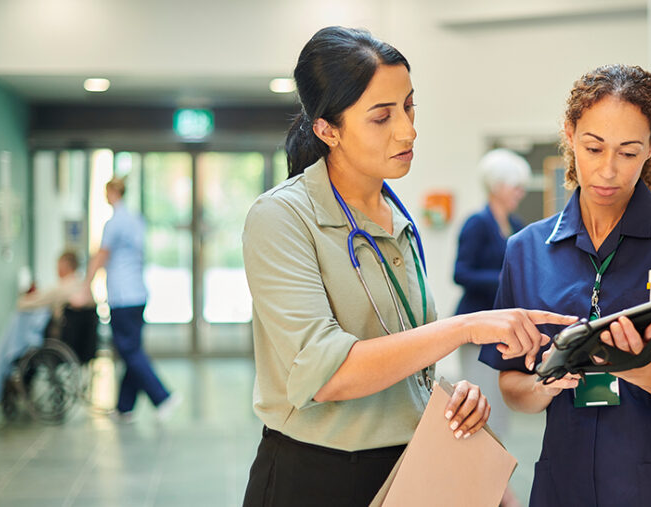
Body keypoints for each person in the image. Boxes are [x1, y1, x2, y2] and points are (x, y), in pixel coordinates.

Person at [241, 26, 575, 507]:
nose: (408, 130)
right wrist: (466, 327)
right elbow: (327, 373)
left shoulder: (396, 218)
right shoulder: (281, 218)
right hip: (315, 475)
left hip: (408, 467)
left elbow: (404, 356)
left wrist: (448, 395)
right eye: (382, 117)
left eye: (410, 106)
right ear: (326, 129)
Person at [479, 64, 651, 507]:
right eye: (593, 147)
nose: (607, 170)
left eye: (628, 152)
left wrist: (639, 368)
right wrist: (544, 385)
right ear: (569, 135)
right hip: (562, 484)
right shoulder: (526, 249)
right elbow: (513, 386)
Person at [453, 148, 530, 507]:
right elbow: (461, 272)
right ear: (498, 185)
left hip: (503, 337)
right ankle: (501, 496)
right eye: (515, 186)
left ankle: (493, 490)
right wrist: (504, 278)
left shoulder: (514, 226)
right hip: (475, 333)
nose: (520, 193)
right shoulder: (477, 224)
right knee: (481, 419)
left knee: (498, 418)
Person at [87, 177, 181, 423]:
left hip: (122, 297)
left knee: (129, 350)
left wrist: (85, 285)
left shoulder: (114, 222)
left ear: (113, 193)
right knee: (131, 350)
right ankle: (124, 407)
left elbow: (101, 256)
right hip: (138, 294)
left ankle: (162, 396)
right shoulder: (135, 220)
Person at [0, 251, 94, 402]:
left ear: (65, 266)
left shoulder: (64, 287)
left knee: (17, 322)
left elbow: (24, 303)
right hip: (76, 343)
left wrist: (26, 297)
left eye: (58, 266)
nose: (56, 270)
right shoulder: (81, 286)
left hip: (58, 340)